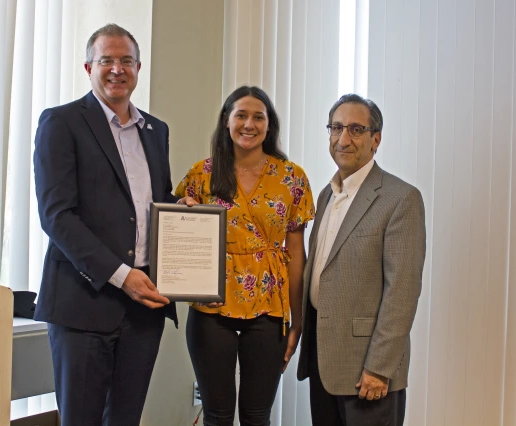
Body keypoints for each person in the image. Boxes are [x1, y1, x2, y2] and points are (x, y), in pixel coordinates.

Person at [33, 24, 177, 426]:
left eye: (126, 60)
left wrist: (180, 214)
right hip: (83, 304)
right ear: (88, 67)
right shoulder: (61, 123)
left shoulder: (156, 130)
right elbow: (57, 216)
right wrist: (121, 276)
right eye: (106, 60)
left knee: (126, 420)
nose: (117, 69)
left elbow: (153, 204)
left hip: (143, 309)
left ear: (138, 67)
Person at [175, 86, 315, 426]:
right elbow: (175, 226)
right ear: (226, 121)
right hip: (211, 306)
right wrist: (182, 212)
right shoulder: (201, 174)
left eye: (258, 116)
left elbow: (296, 253)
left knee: (257, 415)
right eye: (241, 115)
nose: (248, 124)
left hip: (269, 305)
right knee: (217, 415)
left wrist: (298, 322)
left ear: (270, 125)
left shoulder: (291, 177)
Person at [297, 94, 426, 426]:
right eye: (336, 128)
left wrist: (379, 367)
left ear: (376, 139)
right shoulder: (327, 196)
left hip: (368, 372)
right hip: (324, 364)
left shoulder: (400, 199)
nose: (344, 139)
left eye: (356, 129)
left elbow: (402, 292)